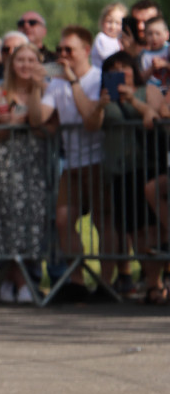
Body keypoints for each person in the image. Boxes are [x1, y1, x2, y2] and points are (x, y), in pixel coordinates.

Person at [25, 25, 106, 303]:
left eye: (68, 50)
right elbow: (38, 119)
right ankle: (77, 281)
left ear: (85, 51)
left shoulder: (98, 78)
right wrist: (35, 89)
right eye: (59, 50)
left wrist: (73, 82)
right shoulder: (57, 82)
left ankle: (106, 283)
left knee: (103, 221)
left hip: (99, 161)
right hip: (71, 164)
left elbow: (91, 121)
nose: (62, 54)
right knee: (62, 221)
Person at [82, 52, 168, 304]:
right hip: (121, 170)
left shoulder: (147, 91)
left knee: (153, 229)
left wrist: (133, 101)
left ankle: (156, 283)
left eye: (124, 67)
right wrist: (100, 105)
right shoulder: (104, 98)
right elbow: (91, 126)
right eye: (113, 69)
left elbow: (156, 117)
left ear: (133, 69)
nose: (120, 72)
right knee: (136, 231)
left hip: (149, 165)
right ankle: (151, 283)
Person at [0, 43, 50, 303]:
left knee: (30, 221)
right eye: (20, 60)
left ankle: (25, 280)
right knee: (6, 220)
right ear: (11, 64)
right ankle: (10, 279)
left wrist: (22, 119)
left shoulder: (44, 91)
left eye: (31, 60)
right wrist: (3, 123)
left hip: (33, 163)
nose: (25, 65)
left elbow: (44, 123)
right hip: (3, 163)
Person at [90, 2, 126, 68]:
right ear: (102, 22)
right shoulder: (102, 38)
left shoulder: (120, 39)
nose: (113, 27)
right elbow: (110, 60)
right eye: (109, 22)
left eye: (118, 23)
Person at [140, 15, 170, 91]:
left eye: (158, 33)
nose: (154, 38)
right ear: (145, 36)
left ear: (167, 35)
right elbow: (140, 79)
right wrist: (152, 68)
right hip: (152, 92)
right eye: (150, 34)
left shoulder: (168, 49)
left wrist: (165, 64)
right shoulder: (143, 55)